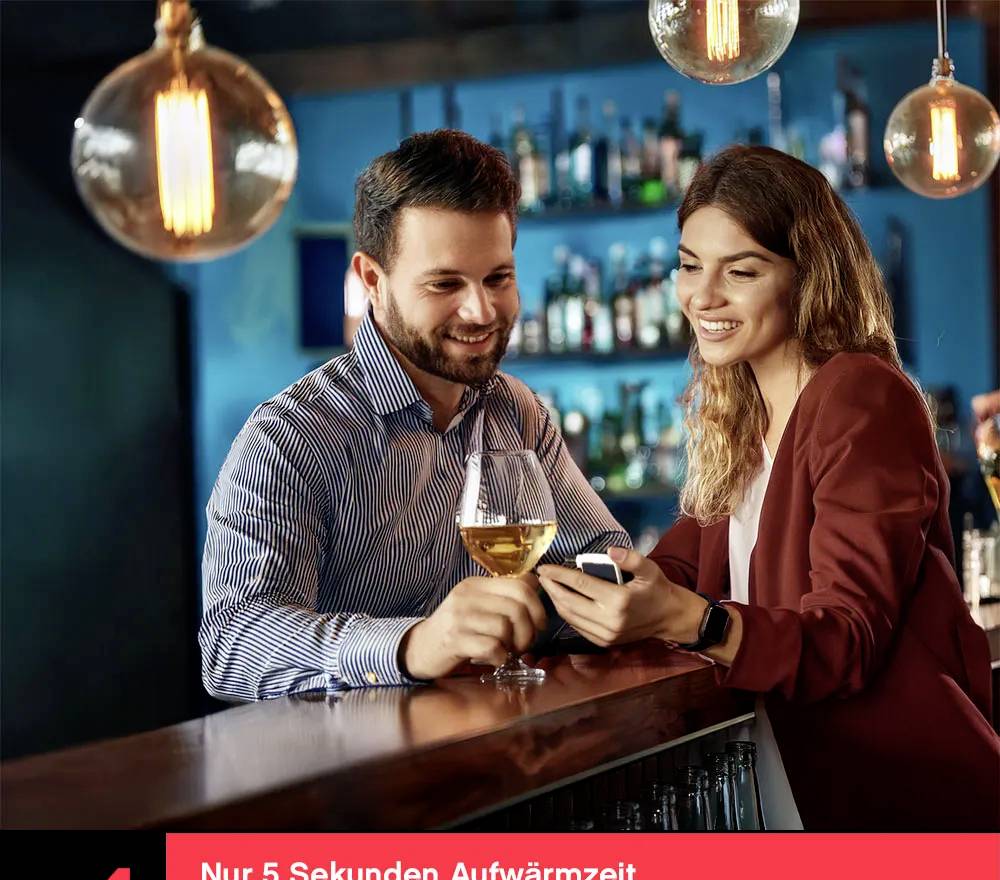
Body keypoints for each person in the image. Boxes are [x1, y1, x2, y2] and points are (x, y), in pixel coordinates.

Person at [538, 145, 999, 832]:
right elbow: (671, 571)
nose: (702, 296)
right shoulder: (743, 420)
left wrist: (690, 621)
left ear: (806, 277)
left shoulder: (860, 395)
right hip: (807, 792)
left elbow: (846, 640)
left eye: (741, 271)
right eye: (690, 266)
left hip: (905, 804)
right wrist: (537, 599)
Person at [200, 130, 629, 701]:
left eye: (498, 278)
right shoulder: (290, 436)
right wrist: (413, 645)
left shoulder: (517, 412)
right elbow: (233, 645)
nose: (481, 311)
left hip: (497, 757)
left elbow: (597, 567)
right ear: (373, 281)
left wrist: (621, 594)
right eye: (445, 283)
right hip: (356, 779)